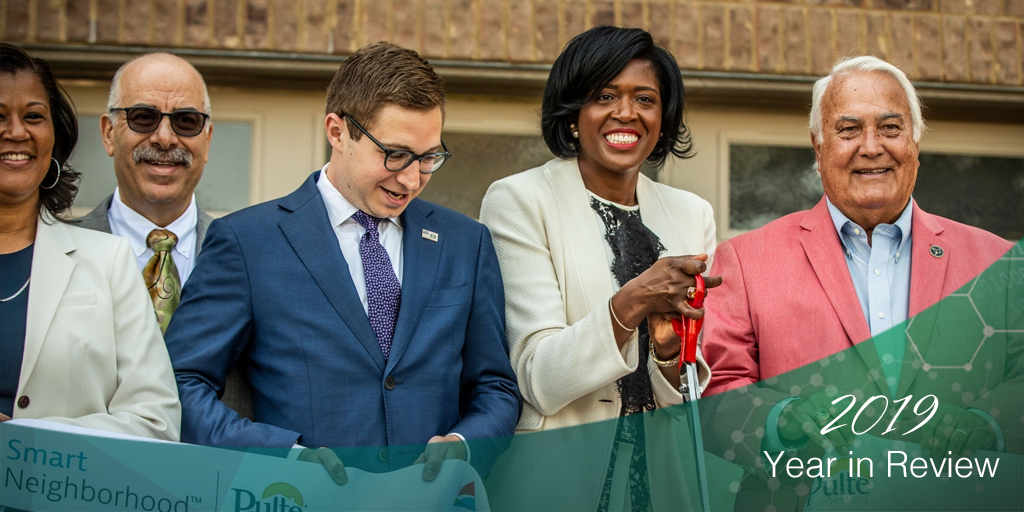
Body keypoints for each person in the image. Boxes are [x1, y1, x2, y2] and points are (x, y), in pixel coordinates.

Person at [163, 41, 521, 482]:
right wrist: (284, 457)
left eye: (428, 158)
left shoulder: (467, 242)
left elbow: (497, 387)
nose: (411, 179)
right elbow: (180, 384)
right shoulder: (245, 241)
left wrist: (465, 446)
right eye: (394, 154)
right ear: (337, 131)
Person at [701, 56, 1018, 511]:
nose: (872, 147)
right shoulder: (746, 261)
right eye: (849, 130)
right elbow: (713, 390)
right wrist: (780, 420)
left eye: (890, 127)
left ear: (915, 141)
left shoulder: (997, 263)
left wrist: (987, 423)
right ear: (818, 144)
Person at [479, 26, 720, 511]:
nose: (626, 112)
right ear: (573, 115)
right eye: (604, 95)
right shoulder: (520, 202)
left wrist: (672, 357)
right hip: (556, 484)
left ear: (662, 118)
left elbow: (688, 406)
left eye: (644, 98)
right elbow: (537, 378)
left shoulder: (693, 214)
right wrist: (631, 303)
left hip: (662, 484)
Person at [0, 43, 180, 440]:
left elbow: (155, 422)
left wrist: (23, 439)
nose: (16, 131)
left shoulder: (108, 261)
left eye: (32, 116)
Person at [75, 53, 252, 420]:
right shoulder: (53, 254)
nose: (165, 137)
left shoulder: (256, 257)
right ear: (109, 133)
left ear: (207, 138)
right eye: (143, 117)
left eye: (186, 121)